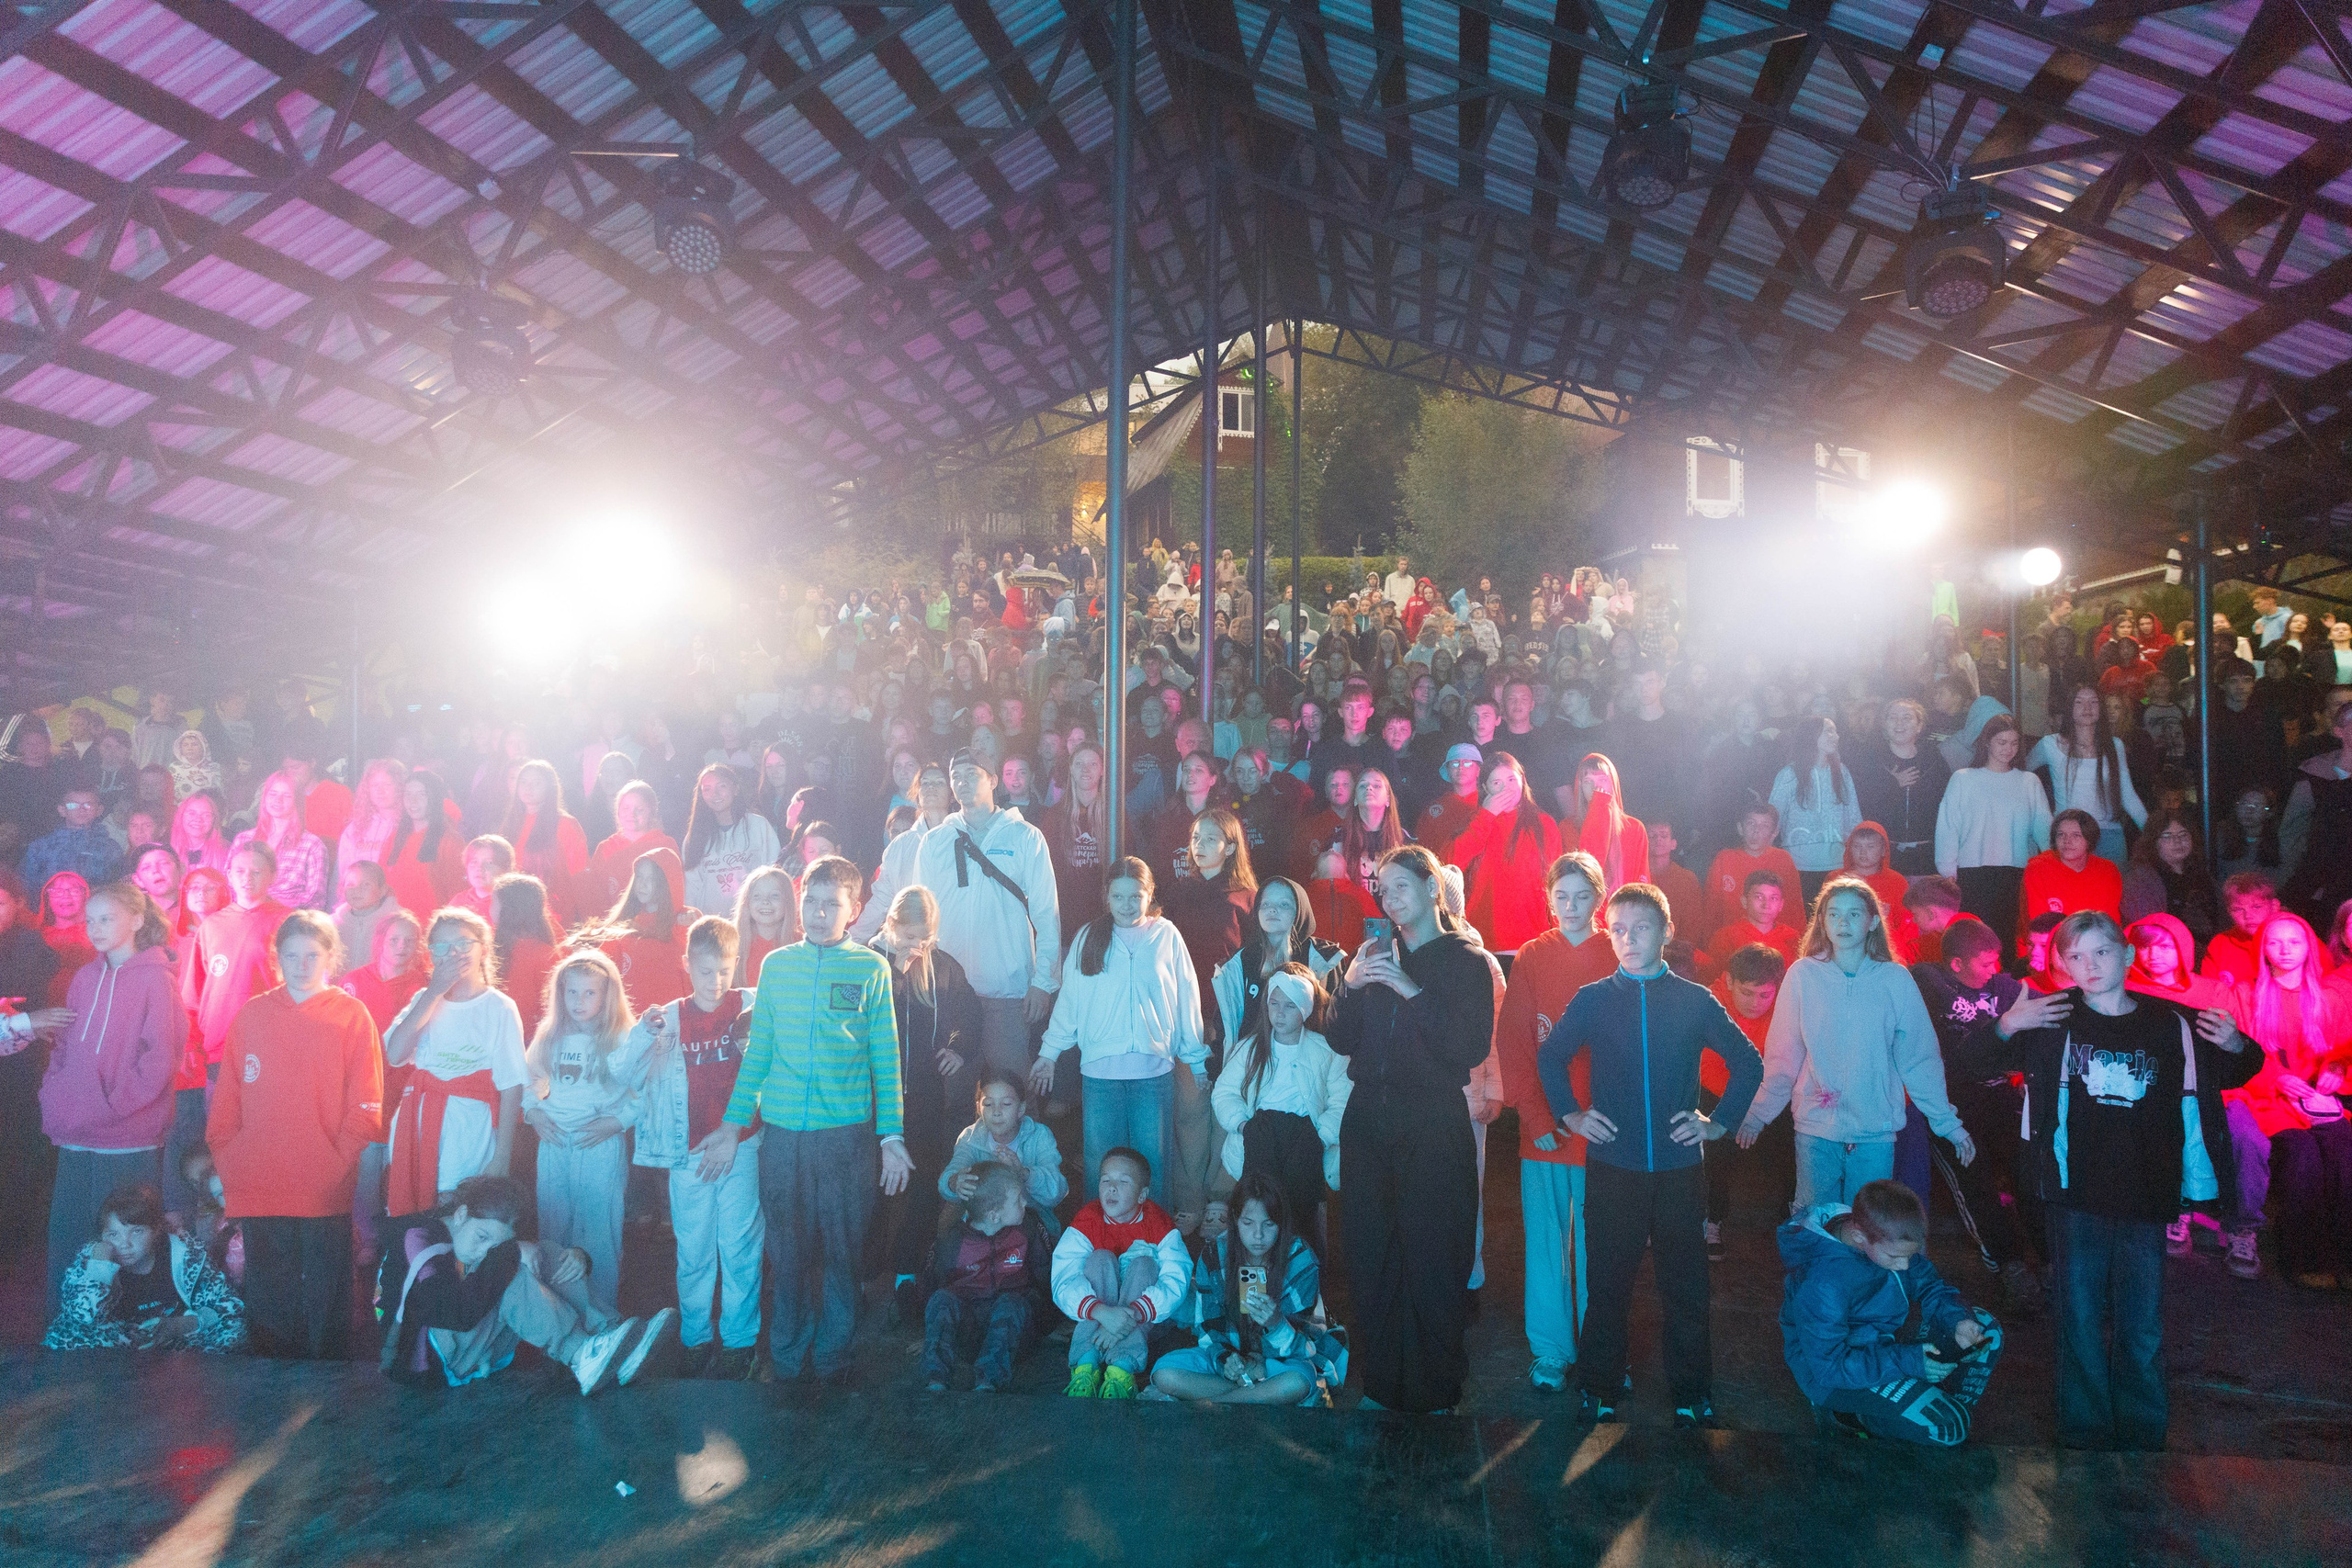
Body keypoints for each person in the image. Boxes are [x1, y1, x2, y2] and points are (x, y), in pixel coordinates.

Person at [1954, 912, 2256, 1450]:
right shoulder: (2050, 1018)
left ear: (2127, 955)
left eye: (2101, 953)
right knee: (2080, 1316)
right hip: (2073, 1194)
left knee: (2141, 1322)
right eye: (2075, 957)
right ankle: (2085, 1428)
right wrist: (2006, 1024)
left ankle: (2142, 1430)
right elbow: (1972, 1061)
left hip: (2146, 1191)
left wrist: (2233, 1042)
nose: (2089, 966)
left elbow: (2238, 1066)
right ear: (2061, 965)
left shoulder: (2170, 1022)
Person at [1538, 881, 1765, 1427]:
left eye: (1640, 927)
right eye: (1617, 929)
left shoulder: (1693, 999)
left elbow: (1748, 1061)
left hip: (1679, 1170)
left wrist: (1720, 1122)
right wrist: (1570, 1113)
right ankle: (1601, 1383)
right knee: (1608, 1280)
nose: (1628, 939)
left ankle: (1691, 1389)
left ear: (1666, 932)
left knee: (1685, 1282)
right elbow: (1551, 1057)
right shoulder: (1593, 998)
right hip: (1614, 1167)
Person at [703, 855, 910, 1388]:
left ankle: (835, 1357)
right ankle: (789, 1361)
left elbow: (885, 1060)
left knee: (843, 1254)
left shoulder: (870, 969)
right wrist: (731, 1126)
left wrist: (891, 1137)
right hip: (783, 1140)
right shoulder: (777, 966)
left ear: (854, 910)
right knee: (787, 1253)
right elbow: (759, 1053)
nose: (819, 915)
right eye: (811, 904)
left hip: (845, 1139)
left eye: (831, 905)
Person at [1329, 844, 1497, 1414]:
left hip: (1432, 1124)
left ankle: (1437, 1390)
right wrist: (1348, 986)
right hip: (1370, 1121)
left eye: (1401, 886)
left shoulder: (1467, 962)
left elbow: (1467, 1047)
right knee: (1373, 1254)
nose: (1390, 898)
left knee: (1432, 1256)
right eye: (1383, 889)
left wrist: (1410, 989)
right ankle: (1381, 1383)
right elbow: (1342, 1038)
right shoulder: (1375, 955)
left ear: (1432, 889)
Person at [204, 909, 380, 1359]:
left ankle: (325, 1385)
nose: (302, 964)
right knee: (268, 1280)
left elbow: (366, 1099)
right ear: (276, 956)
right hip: (262, 1176)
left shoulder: (350, 1014)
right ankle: (271, 1378)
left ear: (330, 958)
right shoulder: (254, 1013)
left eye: (312, 955)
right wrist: (230, 1156)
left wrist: (338, 1158)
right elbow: (228, 1098)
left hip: (324, 1177)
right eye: (291, 955)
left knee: (326, 1282)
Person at [1737, 878, 1976, 1207]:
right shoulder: (1802, 975)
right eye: (1833, 914)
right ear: (1821, 921)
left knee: (1867, 1227)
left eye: (1854, 914)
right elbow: (1782, 1056)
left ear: (1873, 921)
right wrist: (1758, 1113)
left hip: (1875, 1131)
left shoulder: (1895, 979)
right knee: (1817, 1223)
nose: (1843, 923)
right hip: (1816, 1127)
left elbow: (1919, 1059)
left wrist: (1947, 1123)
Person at [618, 916, 764, 1379]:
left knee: (739, 1244)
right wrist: (642, 1033)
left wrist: (735, 1133)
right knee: (695, 1247)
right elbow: (621, 1073)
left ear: (736, 964)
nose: (715, 981)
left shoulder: (753, 1005)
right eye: (705, 971)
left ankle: (740, 1340)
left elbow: (774, 1068)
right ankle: (697, 1337)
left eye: (724, 970)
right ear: (687, 965)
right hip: (689, 1154)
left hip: (740, 1145)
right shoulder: (669, 1017)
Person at [1495, 851, 1615, 1390]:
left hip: (1606, 1132)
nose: (1571, 906)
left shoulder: (1616, 952)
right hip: (1544, 1130)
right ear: (1549, 898)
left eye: (1582, 896)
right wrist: (1536, 1113)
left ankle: (1601, 1349)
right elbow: (1515, 1042)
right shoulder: (1531, 956)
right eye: (1561, 896)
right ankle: (1549, 1351)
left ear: (1599, 898)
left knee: (1601, 1244)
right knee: (1546, 1243)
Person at [378, 1174, 663, 1393]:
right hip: (425, 1362)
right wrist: (508, 1254)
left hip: (472, 1347)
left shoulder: (476, 1239)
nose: (483, 1249)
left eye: (494, 1243)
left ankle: (613, 1341)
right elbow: (452, 1313)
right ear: (462, 1214)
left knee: (544, 1252)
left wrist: (578, 1258)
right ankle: (580, 1353)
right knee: (509, 1270)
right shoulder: (420, 1237)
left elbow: (518, 1257)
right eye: (481, 1237)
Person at [37, 881, 183, 1310]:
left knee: (126, 1246)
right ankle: (64, 1330)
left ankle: (124, 1340)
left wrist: (109, 1105)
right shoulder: (84, 976)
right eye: (89, 920)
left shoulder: (157, 980)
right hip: (78, 1133)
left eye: (106, 918)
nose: (94, 928)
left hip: (127, 1139)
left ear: (137, 920)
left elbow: (161, 1059)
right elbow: (63, 1044)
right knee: (69, 1238)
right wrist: (56, 1095)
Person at [1779, 1180, 2002, 1446]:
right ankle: (1848, 1415)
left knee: (1984, 1327)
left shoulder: (1885, 1238)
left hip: (1885, 1342)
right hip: (1836, 1377)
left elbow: (1930, 1285)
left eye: (1910, 1256)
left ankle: (1932, 1404)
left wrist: (1958, 1320)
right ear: (1859, 1236)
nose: (1905, 1265)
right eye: (1895, 1257)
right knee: (1949, 1428)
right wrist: (1910, 1362)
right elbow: (1829, 1368)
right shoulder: (1823, 1283)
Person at [1035, 858, 1205, 1199]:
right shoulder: (1088, 938)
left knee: (1152, 1164)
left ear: (1149, 894)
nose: (1126, 905)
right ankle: (1100, 1243)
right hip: (1100, 1075)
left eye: (1135, 896)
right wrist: (1048, 1053)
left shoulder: (1166, 936)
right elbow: (1069, 1003)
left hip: (1153, 1073)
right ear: (1106, 897)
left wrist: (1196, 1059)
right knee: (1103, 1164)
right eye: (1118, 897)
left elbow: (1186, 997)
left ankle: (1155, 1244)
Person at [1910, 917, 2043, 1313]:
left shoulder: (2002, 986)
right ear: (1956, 964)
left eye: (1996, 961)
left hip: (1998, 1095)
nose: (1994, 971)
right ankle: (2010, 1266)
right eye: (1985, 963)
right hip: (1948, 1104)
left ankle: (2050, 1261)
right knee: (1976, 1182)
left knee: (2029, 1172)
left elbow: (2039, 1003)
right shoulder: (1929, 982)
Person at [913, 749, 1062, 1075]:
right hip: (950, 993)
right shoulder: (934, 842)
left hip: (1007, 990)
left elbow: (1046, 915)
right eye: (956, 776)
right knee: (954, 1099)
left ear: (994, 780)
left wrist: (1043, 983)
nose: (962, 782)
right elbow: (920, 917)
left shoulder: (1025, 837)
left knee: (1009, 1092)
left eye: (972, 774)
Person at [2225, 912, 2352, 1289]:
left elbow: (2342, 1044)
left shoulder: (2328, 995)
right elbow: (2241, 1053)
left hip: (2316, 1097)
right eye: (2274, 942)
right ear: (2263, 948)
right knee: (2303, 1158)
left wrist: (2338, 1066)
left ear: (2308, 947)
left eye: (2294, 942)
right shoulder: (2249, 995)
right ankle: (2304, 1259)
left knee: (2344, 1153)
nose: (2284, 950)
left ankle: (2344, 1256)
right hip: (2268, 1100)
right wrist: (2278, 1079)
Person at [872, 884, 983, 1306]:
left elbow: (969, 1013)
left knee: (920, 1183)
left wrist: (959, 1048)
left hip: (922, 1095)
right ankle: (867, 1269)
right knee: (874, 1184)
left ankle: (908, 1267)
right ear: (891, 925)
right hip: (873, 1097)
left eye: (924, 937)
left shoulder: (940, 967)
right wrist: (895, 966)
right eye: (908, 935)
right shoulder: (870, 961)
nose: (916, 945)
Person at [381, 908, 527, 1221]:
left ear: (483, 950)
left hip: (468, 1130)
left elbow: (512, 1085)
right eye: (442, 947)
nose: (453, 954)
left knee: (455, 1211)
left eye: (463, 944)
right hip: (417, 1123)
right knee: (415, 1223)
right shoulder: (424, 998)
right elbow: (394, 1054)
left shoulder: (498, 1006)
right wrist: (434, 992)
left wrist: (502, 1155)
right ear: (431, 955)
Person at [520, 948, 639, 1317]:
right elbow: (529, 1082)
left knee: (599, 1236)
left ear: (607, 996)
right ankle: (559, 1322)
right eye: (572, 992)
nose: (579, 1001)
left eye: (590, 993)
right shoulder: (550, 1034)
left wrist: (616, 1123)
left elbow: (644, 1093)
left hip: (599, 1144)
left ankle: (602, 1321)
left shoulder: (622, 1036)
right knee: (554, 1234)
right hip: (555, 1144)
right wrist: (534, 1114)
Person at [174, 842, 288, 1220]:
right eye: (240, 870)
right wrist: (193, 1039)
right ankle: (227, 1227)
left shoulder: (287, 921)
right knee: (222, 1139)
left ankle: (267, 1217)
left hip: (270, 1049)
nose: (248, 878)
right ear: (229, 875)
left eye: (257, 871)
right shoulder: (213, 924)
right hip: (220, 1050)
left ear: (271, 876)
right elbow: (194, 992)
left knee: (266, 1137)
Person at [1210, 962, 1350, 1255]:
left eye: (1289, 1006)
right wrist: (1243, 1125)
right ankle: (1254, 1283)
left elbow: (1342, 1101)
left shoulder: (1326, 1051)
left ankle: (1303, 1282)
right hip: (1261, 1135)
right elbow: (1224, 1092)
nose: (1280, 1012)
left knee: (1301, 1215)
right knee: (1258, 1207)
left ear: (1305, 1009)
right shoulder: (1251, 1049)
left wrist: (1321, 1136)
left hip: (1305, 1139)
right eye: (1274, 1004)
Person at [1152, 1172, 1327, 1406]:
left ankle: (1215, 1404)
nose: (1258, 1235)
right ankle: (1252, 1398)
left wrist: (1275, 1324)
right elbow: (1208, 1327)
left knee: (1298, 1381)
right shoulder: (1215, 1254)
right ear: (1234, 1219)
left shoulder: (1299, 1258)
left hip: (1279, 1362)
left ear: (1281, 1223)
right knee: (1164, 1373)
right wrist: (1226, 1362)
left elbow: (1304, 1346)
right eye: (1248, 1223)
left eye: (1269, 1224)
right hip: (1234, 1362)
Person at [1049, 1145, 1189, 1399]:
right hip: (1098, 1317)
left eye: (1123, 1182)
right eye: (1106, 1181)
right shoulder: (1088, 1219)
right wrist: (1100, 1312)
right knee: (1100, 1259)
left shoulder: (1158, 1222)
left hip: (1143, 1319)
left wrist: (1129, 1316)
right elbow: (1063, 1277)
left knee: (1145, 1264)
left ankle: (1121, 1368)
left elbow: (1176, 1279)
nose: (1111, 1188)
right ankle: (1086, 1364)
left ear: (1141, 1195)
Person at [45, 1182, 246, 1353]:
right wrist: (100, 1265)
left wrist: (180, 1325)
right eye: (113, 1234)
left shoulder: (186, 1254)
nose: (125, 1244)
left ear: (156, 1230)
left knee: (234, 1330)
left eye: (137, 1231)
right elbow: (81, 1316)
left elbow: (227, 1305)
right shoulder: (95, 1257)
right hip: (117, 1345)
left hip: (175, 1340)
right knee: (74, 1336)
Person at [920, 1160, 1054, 1393]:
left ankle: (988, 1382)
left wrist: (1050, 1326)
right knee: (942, 1298)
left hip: (1012, 1333)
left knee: (1011, 1302)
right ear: (994, 1216)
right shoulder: (953, 1242)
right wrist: (926, 1333)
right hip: (968, 1330)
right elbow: (931, 1287)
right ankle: (935, 1380)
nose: (1025, 1203)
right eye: (1018, 1200)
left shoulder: (1028, 1228)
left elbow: (1047, 1276)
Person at [1934, 715, 2053, 947]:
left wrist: (2053, 867)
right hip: (1970, 873)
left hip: (2015, 873)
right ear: (1987, 742)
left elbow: (2044, 829)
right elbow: (1948, 827)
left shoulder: (2029, 782)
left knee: (2008, 940)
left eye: (2014, 743)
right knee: (1973, 943)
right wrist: (1947, 869)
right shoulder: (1963, 779)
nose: (2008, 749)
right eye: (2002, 742)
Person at [1443, 750, 1566, 953]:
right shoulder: (1473, 821)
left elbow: (1557, 881)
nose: (1506, 788)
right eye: (1496, 783)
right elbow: (1451, 865)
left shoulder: (1544, 824)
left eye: (1511, 779)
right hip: (1481, 941)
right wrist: (1486, 815)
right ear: (1484, 787)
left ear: (1522, 780)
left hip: (1533, 940)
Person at [2029, 686, 2147, 867]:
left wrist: (2155, 833)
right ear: (2070, 708)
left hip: (2109, 834)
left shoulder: (2115, 745)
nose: (2087, 707)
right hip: (2069, 837)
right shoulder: (2049, 744)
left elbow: (2128, 795)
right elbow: (2022, 774)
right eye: (2079, 702)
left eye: (2093, 702)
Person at [939, 1069, 1069, 1218]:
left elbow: (1058, 1192)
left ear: (1021, 1109)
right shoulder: (970, 1137)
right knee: (949, 1217)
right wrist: (954, 1182)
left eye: (1006, 1104)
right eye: (988, 1104)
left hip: (1029, 1220)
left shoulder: (1039, 1136)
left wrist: (1024, 1173)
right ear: (978, 1108)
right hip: (985, 1221)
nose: (996, 1112)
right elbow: (948, 1177)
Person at [1770, 717, 1865, 907]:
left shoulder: (1842, 772)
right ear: (1811, 736)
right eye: (1828, 731)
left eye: (1836, 731)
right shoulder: (1789, 774)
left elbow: (1853, 818)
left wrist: (1857, 860)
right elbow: (1772, 820)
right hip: (1797, 867)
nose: (1835, 736)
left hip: (1837, 866)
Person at [2018, 809, 2125, 954]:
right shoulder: (2038, 868)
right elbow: (2040, 924)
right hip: (2047, 949)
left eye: (2076, 835)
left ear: (2089, 840)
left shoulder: (2108, 870)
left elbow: (2111, 923)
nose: (2067, 841)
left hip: (2096, 948)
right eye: (2061, 835)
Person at [680, 763, 780, 917]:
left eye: (722, 786)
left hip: (752, 920)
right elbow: (692, 886)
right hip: (711, 925)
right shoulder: (695, 837)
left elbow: (774, 872)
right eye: (707, 789)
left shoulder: (758, 826)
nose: (715, 794)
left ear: (735, 789)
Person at [1700, 804, 1802, 942]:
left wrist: (1800, 946)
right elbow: (1711, 909)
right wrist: (1709, 944)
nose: (1756, 831)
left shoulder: (1783, 859)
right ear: (1740, 828)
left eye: (1764, 825)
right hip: (1732, 943)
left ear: (1774, 832)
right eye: (1751, 823)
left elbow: (1795, 909)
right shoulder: (1725, 858)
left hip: (1774, 944)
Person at [2120, 809, 2220, 951]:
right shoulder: (2141, 880)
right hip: (2165, 954)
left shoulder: (2200, 873)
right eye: (2167, 835)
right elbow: (2148, 933)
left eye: (2183, 834)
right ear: (2153, 841)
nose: (2177, 841)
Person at [232, 771, 328, 909]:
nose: (278, 800)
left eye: (287, 795)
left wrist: (275, 913)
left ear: (297, 800)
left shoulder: (312, 845)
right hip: (246, 917)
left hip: (288, 922)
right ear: (264, 798)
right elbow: (230, 888)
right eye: (273, 794)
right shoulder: (243, 839)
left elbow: (315, 901)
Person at [1696, 870, 1801, 980]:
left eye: (1773, 898)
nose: (1766, 905)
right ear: (1744, 901)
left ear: (1781, 905)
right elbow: (1713, 979)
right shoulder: (1726, 937)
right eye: (1759, 897)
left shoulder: (1792, 938)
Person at [18, 786, 123, 895]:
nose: (82, 809)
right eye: (73, 805)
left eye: (88, 804)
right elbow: (26, 886)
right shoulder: (41, 847)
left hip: (95, 910)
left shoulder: (111, 849)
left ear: (99, 810)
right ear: (62, 810)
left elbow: (118, 888)